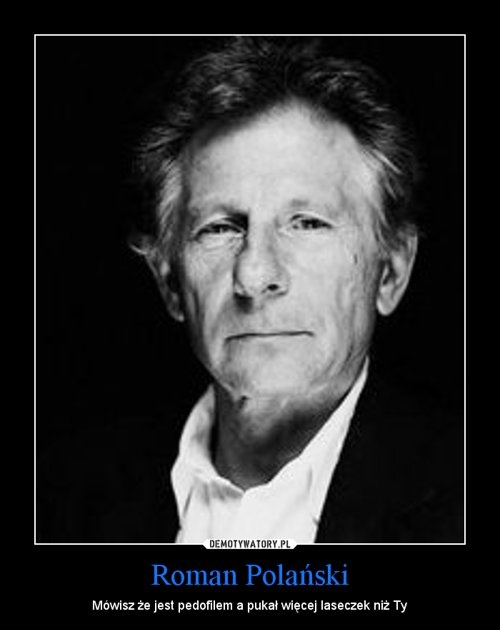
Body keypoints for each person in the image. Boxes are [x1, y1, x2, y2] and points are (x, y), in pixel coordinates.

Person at [37, 36, 463, 544]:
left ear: (390, 271)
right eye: (220, 228)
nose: (255, 276)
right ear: (169, 281)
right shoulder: (62, 499)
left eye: (307, 223)